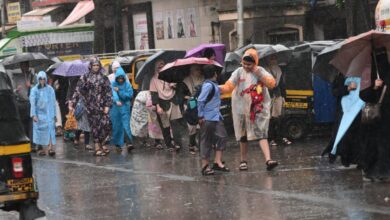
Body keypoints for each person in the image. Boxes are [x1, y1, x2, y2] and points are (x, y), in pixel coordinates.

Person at [219, 48, 279, 171]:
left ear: (255, 63)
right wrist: (217, 88)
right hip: (241, 108)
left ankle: (268, 160)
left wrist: (258, 73)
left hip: (258, 108)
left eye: (249, 64)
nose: (246, 66)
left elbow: (272, 83)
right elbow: (229, 86)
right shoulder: (238, 72)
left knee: (261, 133)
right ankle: (243, 161)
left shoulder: (260, 71)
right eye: (244, 63)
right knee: (243, 135)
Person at [69, 57, 113, 156]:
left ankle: (102, 144)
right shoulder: (85, 77)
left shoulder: (104, 77)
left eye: (97, 65)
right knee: (95, 127)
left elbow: (108, 92)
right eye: (94, 65)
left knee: (106, 125)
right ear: (91, 66)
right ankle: (97, 147)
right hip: (90, 106)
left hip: (102, 106)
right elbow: (78, 90)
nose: (96, 67)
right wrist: (73, 102)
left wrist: (108, 105)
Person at [359, 51, 390, 182]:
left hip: (382, 119)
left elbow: (364, 95)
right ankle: (379, 171)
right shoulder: (372, 75)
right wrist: (375, 87)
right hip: (378, 118)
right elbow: (364, 95)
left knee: (379, 145)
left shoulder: (372, 73)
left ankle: (379, 171)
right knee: (380, 145)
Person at [198, 65, 229, 175]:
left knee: (222, 136)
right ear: (214, 74)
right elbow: (201, 101)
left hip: (216, 116)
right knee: (206, 140)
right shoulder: (207, 86)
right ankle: (205, 166)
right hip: (208, 117)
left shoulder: (213, 85)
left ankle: (217, 161)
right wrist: (201, 116)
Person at [149, 59, 183, 152]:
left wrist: (174, 85)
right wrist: (158, 107)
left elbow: (180, 87)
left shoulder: (171, 75)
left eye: (162, 64)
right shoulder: (153, 79)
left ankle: (178, 144)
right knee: (165, 126)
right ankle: (169, 145)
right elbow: (154, 94)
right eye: (158, 65)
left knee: (175, 124)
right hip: (162, 104)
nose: (160, 66)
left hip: (173, 101)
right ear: (155, 67)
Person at [265, 55, 291, 146]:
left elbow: (282, 84)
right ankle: (271, 138)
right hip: (269, 97)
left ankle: (282, 136)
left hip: (278, 96)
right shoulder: (265, 70)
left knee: (280, 117)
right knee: (271, 119)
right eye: (271, 59)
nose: (274, 61)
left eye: (275, 58)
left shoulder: (279, 70)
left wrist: (284, 96)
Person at [29, 71, 56, 156]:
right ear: (38, 79)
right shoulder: (34, 90)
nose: (42, 80)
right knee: (40, 131)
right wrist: (33, 115)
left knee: (50, 129)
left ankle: (50, 148)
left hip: (49, 113)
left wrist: (54, 114)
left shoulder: (50, 89)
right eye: (40, 79)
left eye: (44, 79)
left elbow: (53, 102)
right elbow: (32, 103)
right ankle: (41, 148)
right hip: (39, 114)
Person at [110, 67, 134, 153]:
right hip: (115, 108)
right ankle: (117, 144)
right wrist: (116, 100)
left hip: (125, 108)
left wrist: (119, 91)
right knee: (116, 126)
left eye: (121, 78)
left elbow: (129, 95)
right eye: (118, 78)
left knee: (126, 125)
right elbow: (113, 94)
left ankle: (129, 143)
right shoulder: (113, 84)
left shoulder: (127, 85)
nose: (120, 80)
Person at [182, 65, 204, 154]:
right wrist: (189, 97)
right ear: (191, 71)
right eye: (196, 70)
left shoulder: (204, 79)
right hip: (190, 104)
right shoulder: (186, 81)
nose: (198, 71)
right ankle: (191, 144)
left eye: (199, 69)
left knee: (201, 125)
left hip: (201, 104)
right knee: (192, 126)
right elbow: (182, 94)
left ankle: (200, 145)